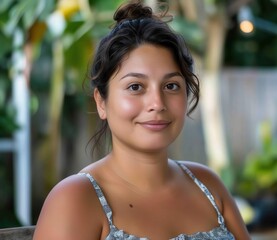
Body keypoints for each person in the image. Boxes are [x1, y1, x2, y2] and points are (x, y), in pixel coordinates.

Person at [33, 1, 251, 239]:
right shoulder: (75, 199)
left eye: (171, 86)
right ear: (101, 102)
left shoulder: (208, 185)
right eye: (135, 86)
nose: (157, 103)